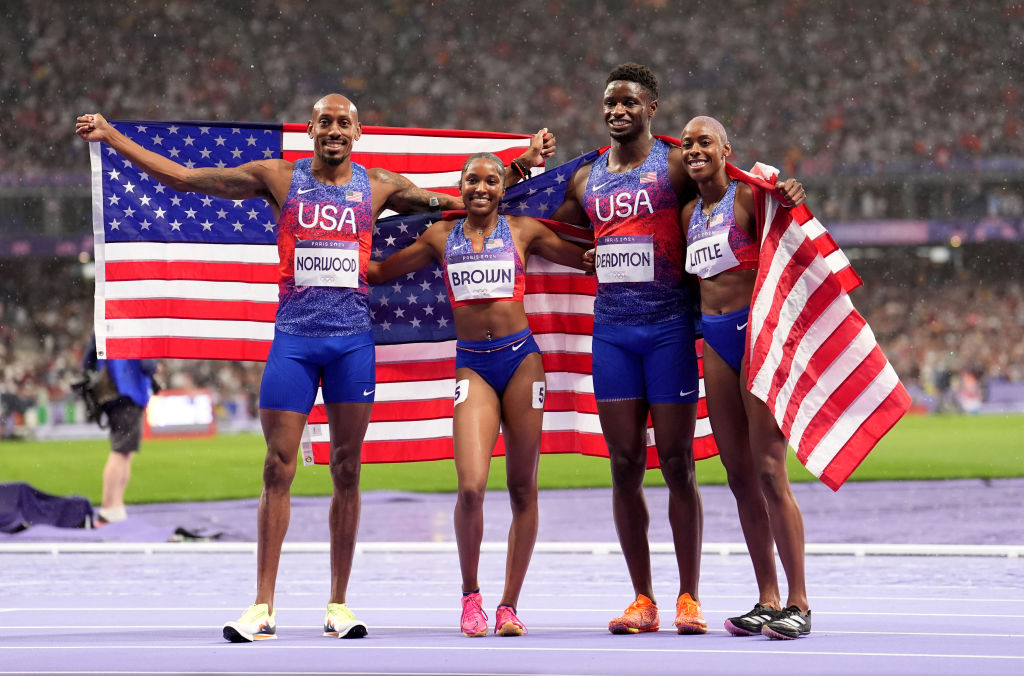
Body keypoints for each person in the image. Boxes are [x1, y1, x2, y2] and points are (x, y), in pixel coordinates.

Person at [75, 94, 552, 643]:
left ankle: (339, 604)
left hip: (352, 345)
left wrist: (518, 166)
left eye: (343, 123)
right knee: (277, 466)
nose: (334, 131)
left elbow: (465, 203)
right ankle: (262, 606)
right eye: (324, 122)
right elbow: (185, 178)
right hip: (295, 344)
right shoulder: (277, 177)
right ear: (310, 130)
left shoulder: (381, 186)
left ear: (357, 132)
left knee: (347, 470)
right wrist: (112, 137)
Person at [548, 63, 804, 635]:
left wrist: (781, 188)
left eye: (629, 102)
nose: (617, 110)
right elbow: (543, 228)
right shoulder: (585, 181)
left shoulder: (674, 167)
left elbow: (727, 180)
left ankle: (690, 596)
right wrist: (579, 254)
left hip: (669, 331)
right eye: (609, 102)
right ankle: (643, 599)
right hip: (612, 332)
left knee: (680, 464)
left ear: (650, 108)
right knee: (623, 466)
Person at [367, 153, 592, 637]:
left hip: (522, 363)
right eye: (473, 180)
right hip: (473, 365)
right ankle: (471, 597)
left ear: (503, 187)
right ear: (461, 185)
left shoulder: (523, 230)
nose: (482, 188)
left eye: (492, 180)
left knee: (521, 488)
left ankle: (509, 605)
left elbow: (581, 258)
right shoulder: (439, 237)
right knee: (470, 487)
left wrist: (612, 242)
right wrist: (329, 245)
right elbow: (382, 274)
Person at [679, 115, 811, 639]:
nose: (694, 150)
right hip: (716, 342)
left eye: (704, 142)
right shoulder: (688, 212)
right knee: (737, 478)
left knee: (768, 470)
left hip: (754, 340)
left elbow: (790, 238)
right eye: (687, 144)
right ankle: (767, 597)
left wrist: (792, 195)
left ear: (725, 148)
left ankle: (798, 602)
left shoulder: (750, 198)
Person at [81, 334, 158, 525]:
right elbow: (148, 366)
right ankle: (108, 509)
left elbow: (88, 360)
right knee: (121, 452)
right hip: (129, 390)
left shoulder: (104, 322)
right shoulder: (135, 326)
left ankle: (115, 506)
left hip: (109, 392)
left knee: (123, 452)